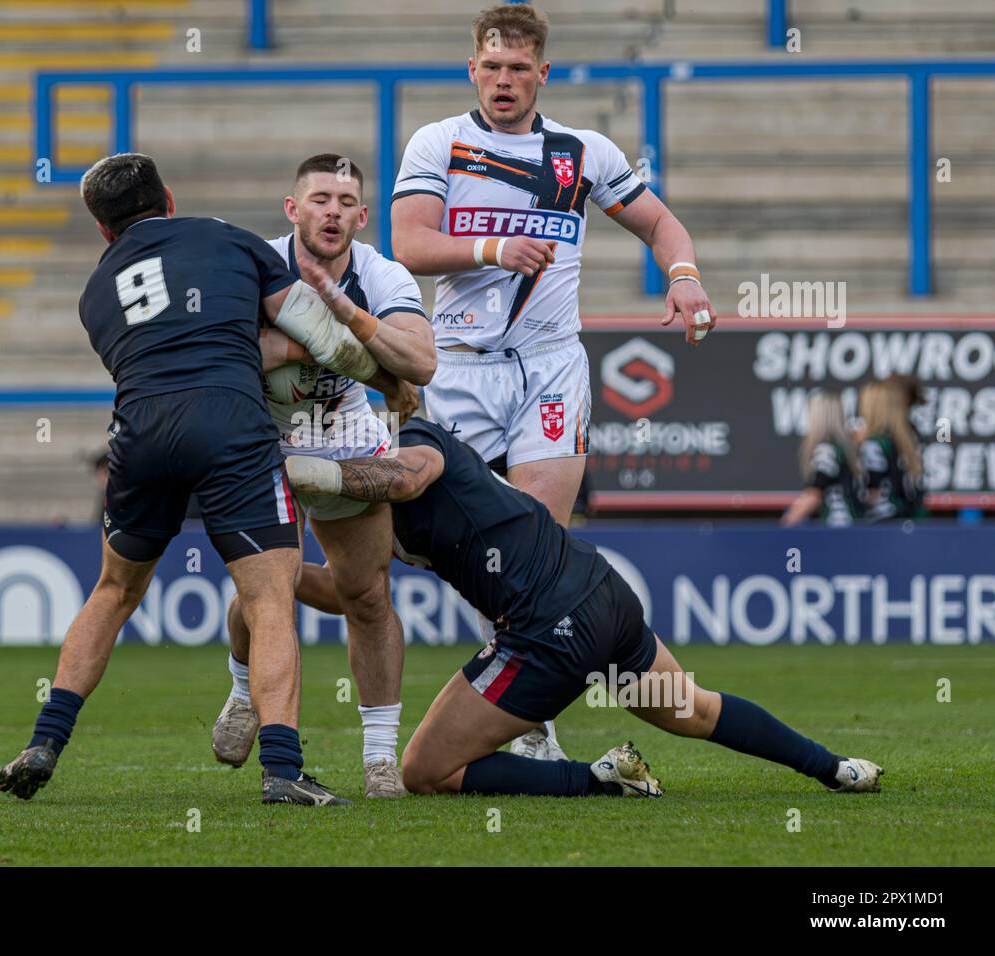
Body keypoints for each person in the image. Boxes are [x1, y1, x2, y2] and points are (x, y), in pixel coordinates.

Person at [0, 152, 385, 806]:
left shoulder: (95, 292)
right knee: (267, 600)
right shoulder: (228, 238)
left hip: (140, 433)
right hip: (231, 424)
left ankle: (44, 741)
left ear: (103, 229)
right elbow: (321, 336)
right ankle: (283, 770)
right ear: (168, 197)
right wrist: (389, 379)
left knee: (113, 591)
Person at [390, 2, 717, 760]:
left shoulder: (585, 151)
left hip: (550, 369)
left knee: (538, 545)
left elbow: (661, 226)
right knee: (470, 551)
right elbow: (407, 243)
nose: (503, 81)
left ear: (542, 71)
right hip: (460, 367)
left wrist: (686, 277)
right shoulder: (440, 141)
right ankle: (511, 709)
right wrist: (494, 248)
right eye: (491, 66)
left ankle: (531, 728)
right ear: (472, 69)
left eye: (518, 68)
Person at [282, 418, 884, 799]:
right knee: (694, 711)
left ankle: (596, 779)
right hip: (601, 593)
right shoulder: (369, 500)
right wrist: (275, 580)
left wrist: (315, 472)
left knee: (423, 771)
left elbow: (407, 480)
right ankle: (835, 769)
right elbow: (349, 592)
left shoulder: (417, 439)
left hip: (551, 628)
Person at [212, 154, 436, 798]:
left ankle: (378, 758)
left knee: (365, 596)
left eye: (345, 201)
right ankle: (241, 690)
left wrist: (345, 313)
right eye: (319, 199)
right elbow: (221, 351)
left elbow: (420, 362)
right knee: (265, 595)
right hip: (262, 434)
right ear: (293, 209)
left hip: (343, 433)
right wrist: (338, 352)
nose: (332, 212)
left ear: (362, 217)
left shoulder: (381, 273)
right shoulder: (253, 263)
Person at [780, 391, 861, 527]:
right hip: (855, 524)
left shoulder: (827, 451)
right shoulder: (843, 449)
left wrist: (784, 524)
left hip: (838, 525)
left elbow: (813, 495)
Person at [858, 380, 925, 522]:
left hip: (882, 521)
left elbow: (872, 493)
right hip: (910, 517)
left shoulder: (874, 444)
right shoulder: (908, 438)